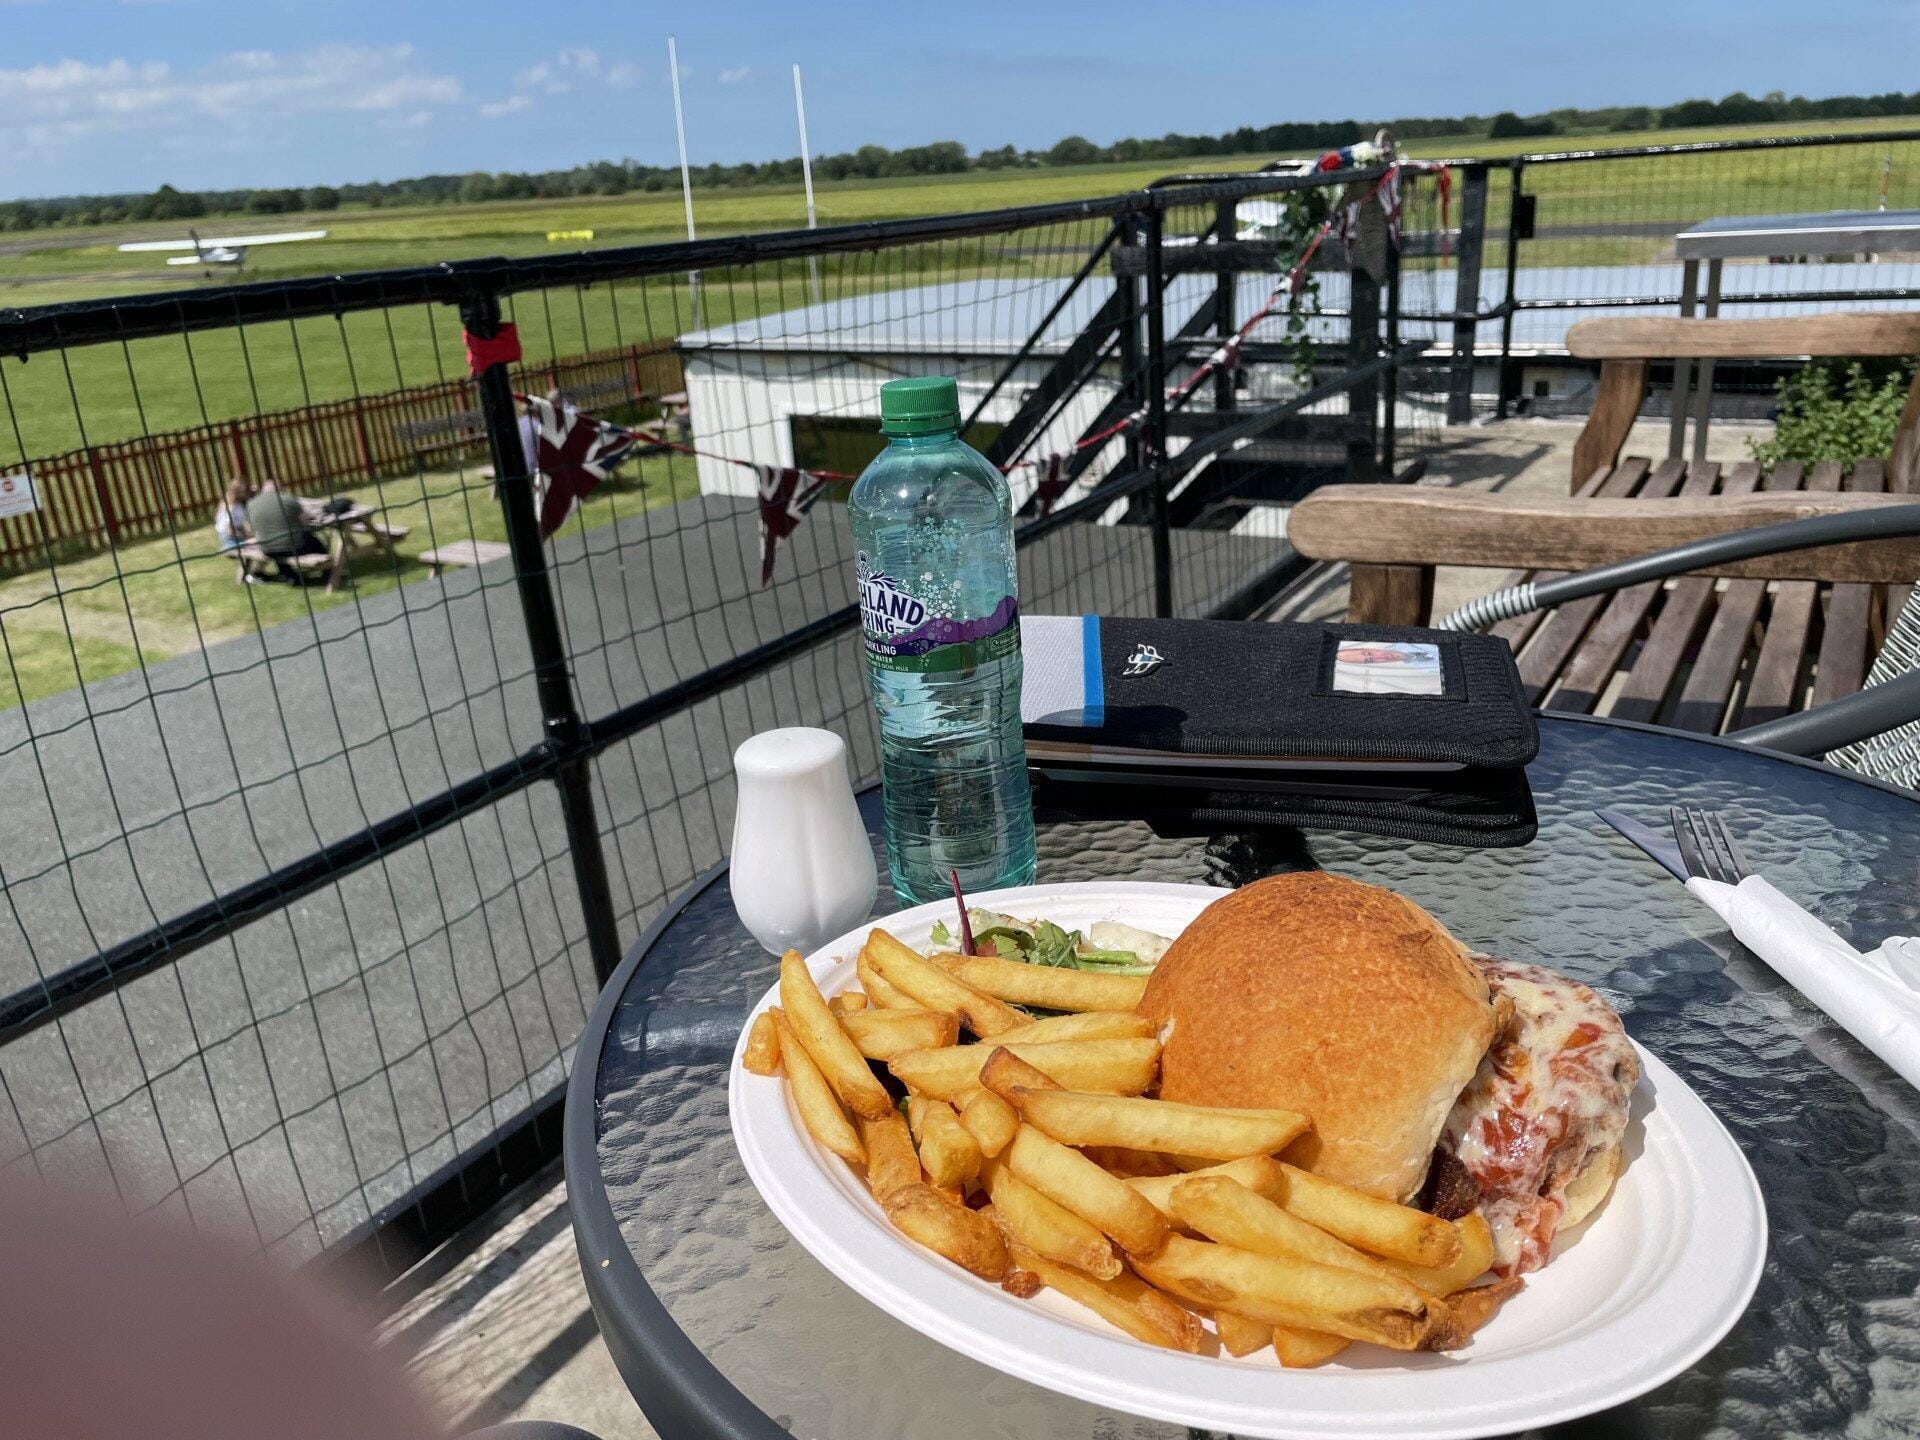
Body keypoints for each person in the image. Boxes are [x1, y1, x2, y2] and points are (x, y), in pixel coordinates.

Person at [246, 478, 337, 582]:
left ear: (263, 489)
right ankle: (328, 572)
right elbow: (305, 522)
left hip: (266, 548)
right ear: (280, 489)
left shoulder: (251, 504)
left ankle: (289, 575)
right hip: (293, 547)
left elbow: (249, 529)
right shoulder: (289, 499)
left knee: (278, 544)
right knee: (315, 543)